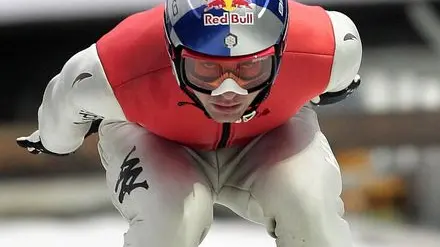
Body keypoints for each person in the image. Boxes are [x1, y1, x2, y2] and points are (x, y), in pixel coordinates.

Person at [16, 0, 363, 246]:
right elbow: (67, 94)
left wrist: (56, 141)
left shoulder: (332, 47)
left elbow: (63, 104)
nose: (229, 91)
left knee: (311, 212)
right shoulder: (112, 65)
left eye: (251, 68)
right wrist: (55, 137)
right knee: (168, 224)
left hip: (267, 134)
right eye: (207, 69)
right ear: (172, 52)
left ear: (282, 50)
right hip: (156, 138)